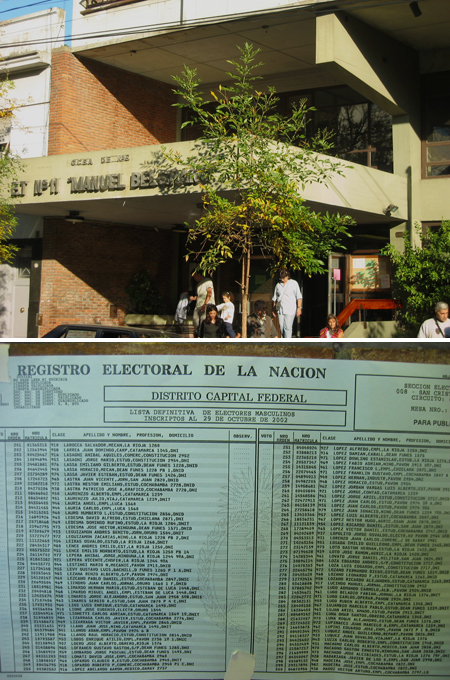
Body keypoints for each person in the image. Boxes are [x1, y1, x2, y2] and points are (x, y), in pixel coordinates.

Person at [272, 269, 302, 338]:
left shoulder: (294, 283)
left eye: (283, 278)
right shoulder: (278, 285)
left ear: (287, 276)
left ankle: (287, 341)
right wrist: (274, 309)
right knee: (282, 327)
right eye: (281, 278)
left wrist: (299, 308)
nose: (282, 279)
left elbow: (299, 297)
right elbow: (275, 298)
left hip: (290, 309)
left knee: (287, 327)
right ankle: (285, 339)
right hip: (280, 309)